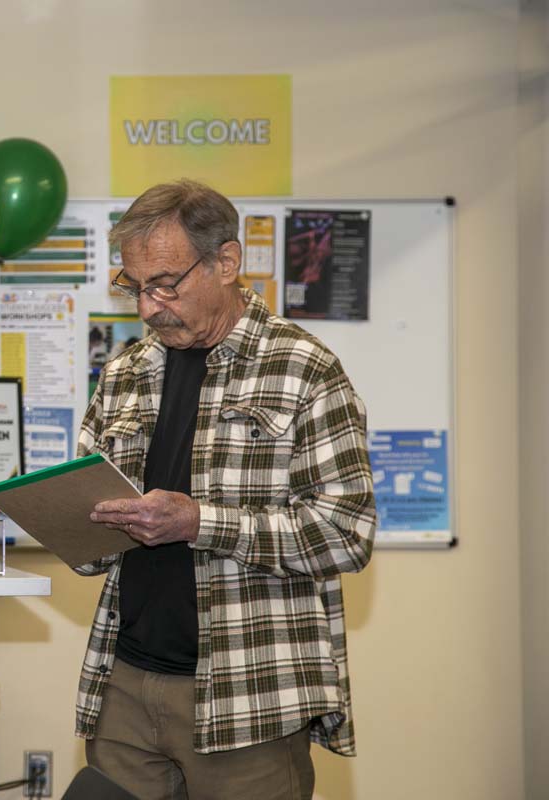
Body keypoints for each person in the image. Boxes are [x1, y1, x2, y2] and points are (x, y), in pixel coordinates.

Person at [75, 180, 376, 800]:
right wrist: (60, 516)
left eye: (165, 283)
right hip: (125, 683)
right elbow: (93, 534)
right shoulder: (125, 374)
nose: (149, 307)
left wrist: (199, 522)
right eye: (135, 287)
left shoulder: (304, 368)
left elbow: (348, 533)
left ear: (227, 262)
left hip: (250, 695)